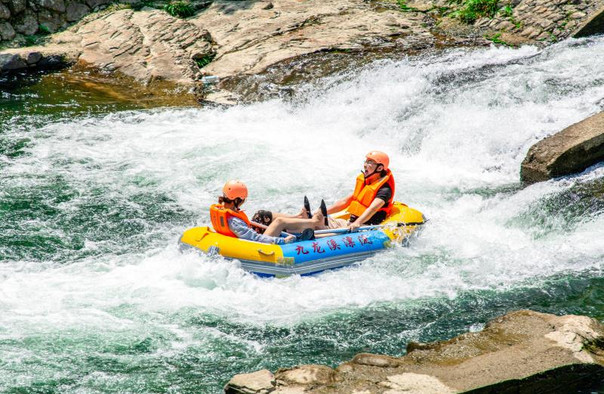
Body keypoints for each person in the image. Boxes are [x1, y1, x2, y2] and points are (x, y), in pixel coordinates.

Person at [209, 180, 322, 244]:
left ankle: (299, 217)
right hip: (257, 244)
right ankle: (315, 222)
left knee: (262, 215)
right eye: (243, 200)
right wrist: (282, 241)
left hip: (244, 236)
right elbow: (254, 238)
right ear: (237, 200)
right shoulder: (234, 221)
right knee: (279, 222)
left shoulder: (223, 209)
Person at [321, 151, 395, 232]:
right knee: (314, 221)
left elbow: (372, 209)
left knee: (320, 235)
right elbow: (345, 201)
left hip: (364, 227)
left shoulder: (385, 190)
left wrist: (357, 222)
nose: (365, 165)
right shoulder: (368, 181)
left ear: (380, 168)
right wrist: (322, 212)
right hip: (350, 223)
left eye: (369, 162)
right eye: (366, 161)